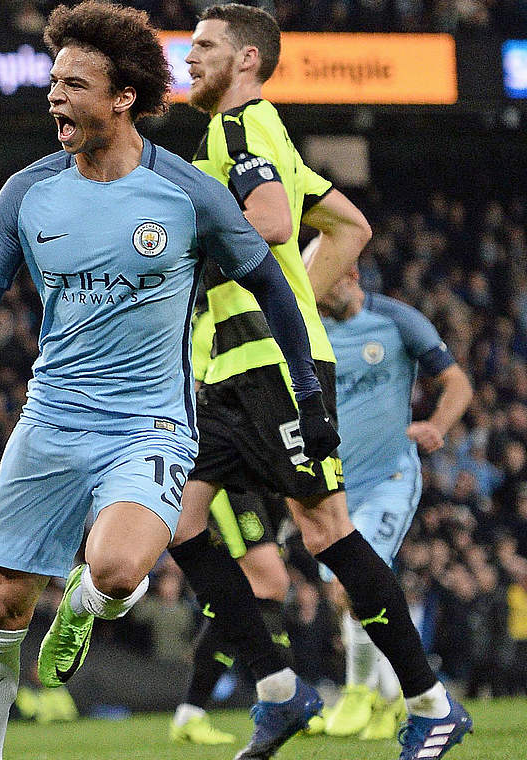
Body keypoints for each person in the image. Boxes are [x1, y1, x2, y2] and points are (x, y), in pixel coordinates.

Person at [0, 4, 337, 759]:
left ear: (122, 97)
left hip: (150, 423)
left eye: (74, 84)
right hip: (52, 419)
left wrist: (309, 395)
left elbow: (274, 288)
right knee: (0, 604)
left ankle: (86, 605)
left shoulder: (187, 193)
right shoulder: (27, 192)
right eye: (52, 81)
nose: (54, 96)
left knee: (119, 571)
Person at [163, 5, 471, 757]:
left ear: (245, 60)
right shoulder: (257, 130)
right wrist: (294, 292)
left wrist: (194, 246)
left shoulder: (238, 130)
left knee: (326, 532)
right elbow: (351, 228)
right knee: (182, 525)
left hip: (265, 372)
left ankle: (430, 704)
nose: (188, 59)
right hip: (230, 372)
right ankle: (279, 689)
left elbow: (269, 218)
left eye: (203, 47)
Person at [316, 263, 472, 739]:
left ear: (351, 275)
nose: (320, 288)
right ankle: (391, 699)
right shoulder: (307, 327)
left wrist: (437, 427)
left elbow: (458, 384)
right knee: (342, 597)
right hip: (334, 484)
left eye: (328, 278)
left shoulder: (396, 320)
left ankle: (359, 693)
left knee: (355, 585)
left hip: (391, 476)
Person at [171, 311, 292, 746]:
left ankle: (193, 711)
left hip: (239, 468)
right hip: (217, 470)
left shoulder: (229, 317)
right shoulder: (211, 323)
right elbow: (197, 392)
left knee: (257, 585)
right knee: (268, 581)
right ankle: (273, 688)